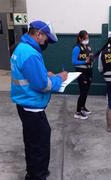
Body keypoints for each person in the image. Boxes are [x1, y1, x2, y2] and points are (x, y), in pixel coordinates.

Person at [10, 20, 68, 180]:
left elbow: (30, 76)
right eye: (45, 38)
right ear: (38, 34)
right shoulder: (30, 54)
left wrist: (45, 74)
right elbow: (42, 85)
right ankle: (38, 175)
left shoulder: (21, 48)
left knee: (31, 141)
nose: (46, 42)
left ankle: (32, 172)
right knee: (39, 144)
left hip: (24, 104)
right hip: (32, 106)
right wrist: (59, 79)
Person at [72, 30, 94, 120]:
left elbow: (90, 58)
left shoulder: (88, 47)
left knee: (86, 92)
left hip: (89, 71)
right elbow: (74, 62)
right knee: (83, 92)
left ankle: (83, 107)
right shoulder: (77, 48)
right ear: (80, 38)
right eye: (85, 38)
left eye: (87, 38)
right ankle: (77, 112)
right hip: (81, 72)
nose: (86, 40)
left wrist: (92, 58)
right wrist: (85, 61)